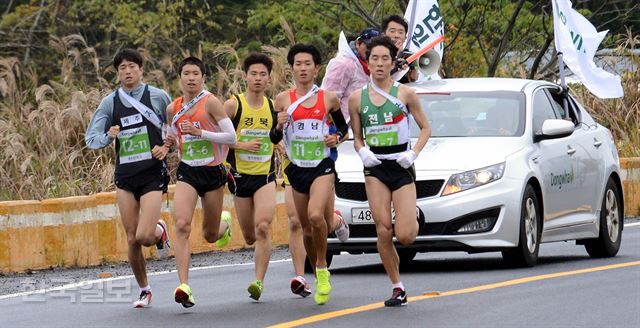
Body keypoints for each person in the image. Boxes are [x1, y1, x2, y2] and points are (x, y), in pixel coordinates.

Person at [85, 48, 172, 308]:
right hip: (125, 176)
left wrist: (166, 147)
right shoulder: (110, 102)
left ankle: (160, 231)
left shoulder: (157, 97)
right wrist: (108, 136)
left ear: (141, 69)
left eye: (132, 66)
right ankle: (144, 290)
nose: (127, 71)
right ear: (117, 72)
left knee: (145, 235)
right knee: (132, 237)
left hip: (152, 173)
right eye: (122, 67)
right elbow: (91, 138)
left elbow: (174, 129)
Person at [348, 36, 431, 307]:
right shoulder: (356, 99)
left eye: (385, 58)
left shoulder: (405, 94)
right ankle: (398, 286)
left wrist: (413, 153)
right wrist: (362, 152)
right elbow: (357, 136)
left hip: (401, 165)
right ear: (368, 62)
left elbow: (426, 128)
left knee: (405, 235)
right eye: (375, 58)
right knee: (383, 229)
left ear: (392, 62)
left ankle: (411, 214)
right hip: (375, 168)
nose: (380, 63)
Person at [271, 44, 348, 305]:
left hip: (322, 166)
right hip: (297, 168)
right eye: (298, 64)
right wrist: (279, 126)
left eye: (308, 64)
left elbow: (343, 129)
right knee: (306, 227)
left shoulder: (329, 99)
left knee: (316, 216)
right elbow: (273, 136)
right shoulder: (282, 100)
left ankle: (322, 268)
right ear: (292, 68)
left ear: (317, 69)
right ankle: (317, 268)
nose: (302, 68)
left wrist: (335, 137)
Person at [166, 57, 236, 308]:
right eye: (186, 73)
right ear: (180, 78)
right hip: (187, 171)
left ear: (203, 77)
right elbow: (172, 137)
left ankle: (224, 225)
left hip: (213, 172)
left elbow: (231, 136)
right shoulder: (173, 108)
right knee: (182, 224)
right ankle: (184, 286)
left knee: (209, 235)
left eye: (196, 73)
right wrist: (167, 145)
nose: (191, 78)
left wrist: (201, 133)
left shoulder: (211, 103)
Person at [222, 53, 280, 301]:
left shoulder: (272, 106)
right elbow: (217, 139)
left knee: (263, 227)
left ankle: (258, 281)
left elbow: (276, 137)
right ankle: (226, 224)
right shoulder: (233, 105)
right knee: (249, 237)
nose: (258, 78)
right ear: (245, 76)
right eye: (253, 74)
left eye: (262, 74)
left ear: (269, 78)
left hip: (265, 176)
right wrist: (242, 146)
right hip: (239, 175)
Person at [321, 27, 380, 123]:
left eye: (376, 48)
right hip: (343, 131)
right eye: (368, 47)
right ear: (358, 43)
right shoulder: (344, 63)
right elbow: (327, 100)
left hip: (366, 127)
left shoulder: (371, 66)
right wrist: (338, 128)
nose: (372, 51)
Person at [381, 15, 418, 83]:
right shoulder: (374, 53)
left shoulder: (407, 55)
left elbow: (413, 79)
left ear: (405, 38)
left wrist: (413, 70)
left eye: (400, 32)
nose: (396, 35)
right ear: (383, 35)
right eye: (392, 31)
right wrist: (395, 54)